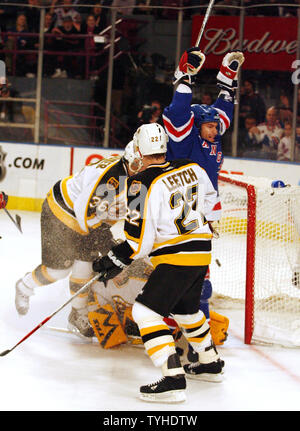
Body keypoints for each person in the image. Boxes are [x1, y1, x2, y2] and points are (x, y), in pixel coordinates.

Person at [92, 122, 224, 403]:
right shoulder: (192, 167)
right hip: (201, 251)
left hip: (176, 258)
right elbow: (212, 203)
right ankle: (210, 362)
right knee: (186, 311)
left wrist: (114, 258)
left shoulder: (140, 183)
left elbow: (138, 243)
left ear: (139, 149)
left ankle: (173, 378)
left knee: (145, 313)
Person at [161, 48, 244, 353]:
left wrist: (227, 82)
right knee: (174, 277)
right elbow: (179, 113)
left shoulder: (211, 136)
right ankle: (171, 331)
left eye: (215, 127)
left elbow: (223, 114)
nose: (216, 130)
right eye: (209, 126)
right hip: (174, 216)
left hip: (200, 217)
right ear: (197, 128)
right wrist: (184, 79)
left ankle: (198, 339)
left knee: (200, 282)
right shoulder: (185, 140)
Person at [14, 142, 142, 338]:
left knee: (85, 267)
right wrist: (110, 248)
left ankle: (77, 312)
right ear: (129, 160)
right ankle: (24, 286)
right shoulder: (113, 179)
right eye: (137, 164)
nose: (141, 169)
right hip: (62, 213)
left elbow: (135, 217)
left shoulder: (139, 179)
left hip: (91, 221)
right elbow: (88, 218)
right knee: (58, 271)